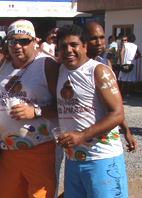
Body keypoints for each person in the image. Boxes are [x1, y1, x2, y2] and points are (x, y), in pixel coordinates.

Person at [55, 24, 129, 198]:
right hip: (74, 160)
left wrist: (82, 135)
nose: (69, 50)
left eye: (74, 45)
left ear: (84, 46)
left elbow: (117, 114)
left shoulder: (98, 71)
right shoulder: (61, 71)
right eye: (63, 47)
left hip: (102, 159)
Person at [0, 19, 60, 198]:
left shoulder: (46, 65)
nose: (17, 46)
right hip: (8, 149)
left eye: (24, 41)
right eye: (12, 41)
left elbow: (65, 106)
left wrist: (36, 112)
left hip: (40, 148)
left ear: (35, 41)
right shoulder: (4, 64)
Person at [83, 22, 137, 153]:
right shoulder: (76, 66)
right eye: (93, 38)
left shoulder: (105, 64)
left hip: (105, 134)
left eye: (101, 38)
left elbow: (114, 102)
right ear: (84, 40)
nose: (99, 42)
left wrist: (126, 131)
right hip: (84, 137)